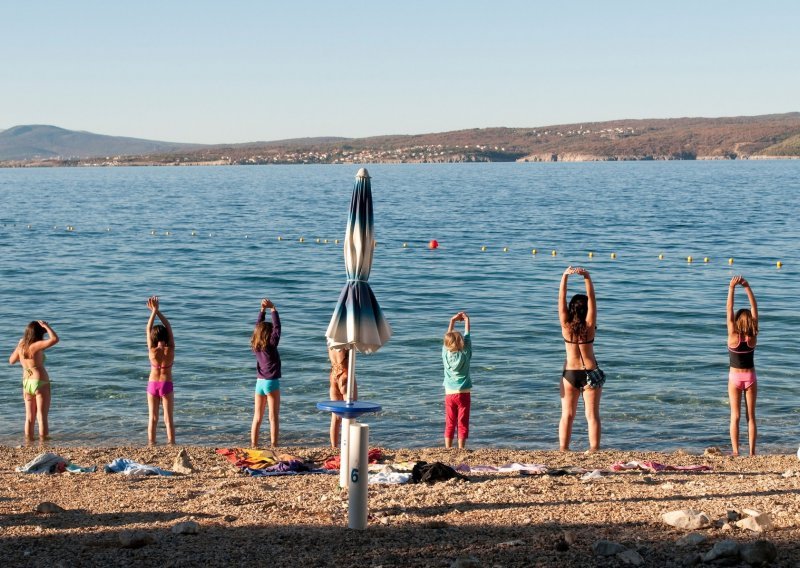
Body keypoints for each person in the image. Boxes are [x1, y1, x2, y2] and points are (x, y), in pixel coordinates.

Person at [558, 266, 604, 452]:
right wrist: (587, 277)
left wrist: (564, 277)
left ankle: (563, 448)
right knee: (592, 415)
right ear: (586, 310)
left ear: (571, 309)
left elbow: (561, 299)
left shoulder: (565, 325)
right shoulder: (590, 326)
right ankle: (593, 449)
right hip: (590, 372)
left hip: (569, 373)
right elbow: (592, 300)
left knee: (567, 415)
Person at [9, 320, 59, 441]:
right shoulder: (36, 345)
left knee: (29, 418)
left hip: (26, 383)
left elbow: (11, 360)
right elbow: (55, 339)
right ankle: (43, 444)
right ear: (38, 333)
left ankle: (28, 443)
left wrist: (19, 345)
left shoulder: (22, 345)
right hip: (39, 382)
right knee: (42, 417)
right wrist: (47, 326)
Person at [727, 275, 759, 456]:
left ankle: (736, 451)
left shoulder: (732, 335)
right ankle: (752, 452)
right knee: (751, 417)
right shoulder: (752, 337)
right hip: (751, 378)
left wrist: (732, 288)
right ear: (751, 322)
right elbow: (754, 308)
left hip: (735, 378)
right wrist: (747, 287)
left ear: (737, 320)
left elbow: (729, 308)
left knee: (735, 416)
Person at [251, 297, 281, 447]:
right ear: (269, 335)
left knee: (257, 417)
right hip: (271, 382)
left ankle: (253, 444)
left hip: (259, 382)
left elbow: (258, 326)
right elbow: (277, 328)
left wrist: (262, 311)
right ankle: (274, 444)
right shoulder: (271, 344)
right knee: (273, 417)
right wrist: (273, 309)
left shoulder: (256, 345)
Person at [145, 296, 175, 445]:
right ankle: (172, 443)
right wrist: (159, 312)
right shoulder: (171, 349)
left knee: (153, 418)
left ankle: (151, 443)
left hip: (152, 385)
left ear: (153, 337)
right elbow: (168, 326)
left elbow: (147, 328)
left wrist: (153, 312)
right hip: (166, 384)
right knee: (168, 419)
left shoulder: (151, 350)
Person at [442, 311, 472, 449]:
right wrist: (466, 320)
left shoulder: (445, 354)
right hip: (464, 393)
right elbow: (467, 337)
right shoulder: (465, 354)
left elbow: (447, 338)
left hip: (449, 393)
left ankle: (448, 447)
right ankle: (461, 448)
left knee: (450, 421)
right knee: (462, 421)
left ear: (447, 344)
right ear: (462, 344)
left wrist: (452, 321)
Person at [328, 345, 355, 448]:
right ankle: (348, 446)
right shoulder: (346, 342)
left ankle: (334, 447)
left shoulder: (331, 342)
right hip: (345, 375)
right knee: (351, 414)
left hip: (333, 376)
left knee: (335, 417)